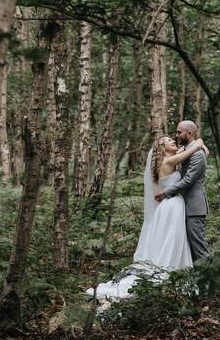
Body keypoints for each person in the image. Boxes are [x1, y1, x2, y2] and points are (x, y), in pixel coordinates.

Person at [87, 132, 208, 300]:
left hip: (169, 207)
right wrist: (199, 141)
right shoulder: (168, 161)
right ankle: (170, 273)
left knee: (174, 240)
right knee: (172, 240)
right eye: (168, 141)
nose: (173, 140)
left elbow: (196, 153)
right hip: (172, 206)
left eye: (173, 139)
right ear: (162, 148)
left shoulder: (168, 159)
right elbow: (191, 150)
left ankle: (177, 271)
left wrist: (199, 146)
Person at [155, 120, 210, 260]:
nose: (177, 135)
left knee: (198, 246)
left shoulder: (198, 154)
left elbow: (188, 180)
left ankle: (210, 278)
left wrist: (166, 192)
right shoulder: (185, 151)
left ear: (189, 133)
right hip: (182, 207)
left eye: (179, 132)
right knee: (187, 248)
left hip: (194, 207)